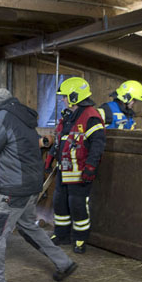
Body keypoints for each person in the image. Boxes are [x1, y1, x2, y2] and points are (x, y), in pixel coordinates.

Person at [0, 88, 78, 282]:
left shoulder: (2, 118)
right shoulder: (24, 118)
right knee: (28, 227)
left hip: (15, 189)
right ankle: (64, 262)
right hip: (32, 186)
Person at [45, 77, 106, 254]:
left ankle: (80, 238)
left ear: (74, 96)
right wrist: (50, 158)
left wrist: (91, 167)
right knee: (60, 203)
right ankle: (61, 235)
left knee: (77, 205)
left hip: (80, 172)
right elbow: (60, 140)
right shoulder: (68, 117)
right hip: (64, 170)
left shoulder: (91, 117)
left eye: (65, 96)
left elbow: (98, 145)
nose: (63, 99)